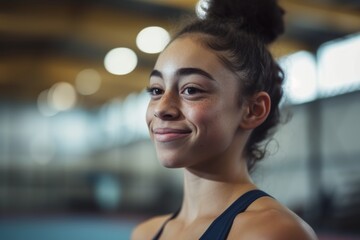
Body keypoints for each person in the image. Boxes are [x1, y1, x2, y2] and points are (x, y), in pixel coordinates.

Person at [132, 0, 318, 239]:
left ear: (253, 110)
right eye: (156, 90)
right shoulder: (144, 234)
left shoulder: (271, 232)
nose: (162, 108)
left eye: (191, 90)